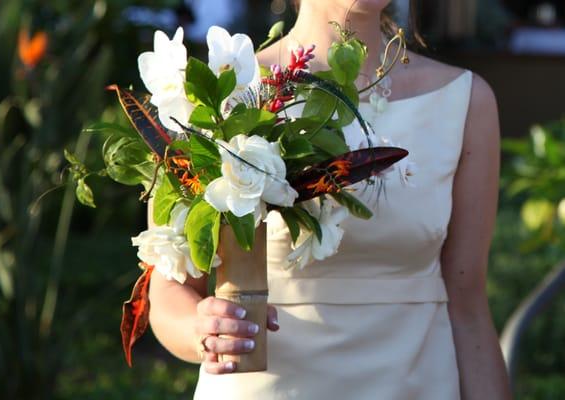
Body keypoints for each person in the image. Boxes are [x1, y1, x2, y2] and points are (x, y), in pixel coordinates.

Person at [148, 1, 513, 398]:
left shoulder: (465, 101)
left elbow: (468, 301)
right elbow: (169, 292)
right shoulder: (223, 93)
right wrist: (201, 330)